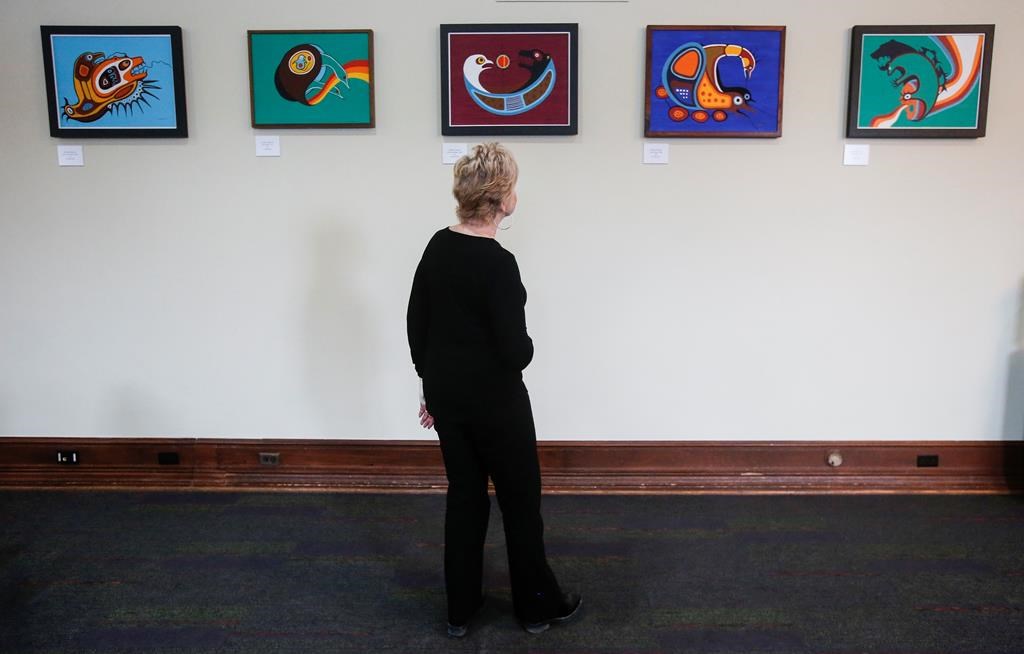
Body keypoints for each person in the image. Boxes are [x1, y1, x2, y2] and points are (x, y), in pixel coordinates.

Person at [406, 142, 581, 637]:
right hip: (497, 404)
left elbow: (416, 324)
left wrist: (430, 386)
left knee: (464, 497)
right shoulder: (498, 263)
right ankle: (537, 606)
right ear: (503, 199)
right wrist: (528, 345)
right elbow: (515, 352)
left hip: (448, 400)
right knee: (520, 501)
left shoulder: (437, 246)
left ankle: (460, 609)